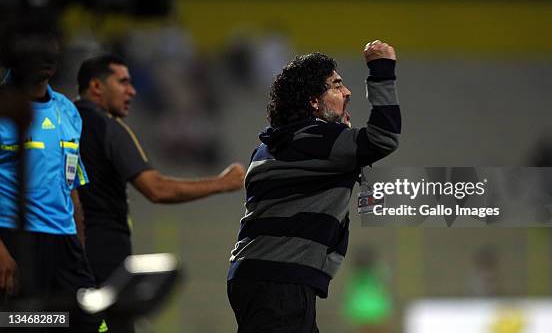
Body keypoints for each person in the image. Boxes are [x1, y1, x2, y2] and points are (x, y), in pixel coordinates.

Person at [227, 40, 401, 332]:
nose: (347, 92)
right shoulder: (315, 139)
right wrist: (381, 69)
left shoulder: (275, 144)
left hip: (264, 277)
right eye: (335, 86)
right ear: (313, 101)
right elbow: (383, 137)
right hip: (280, 282)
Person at [74, 53, 246, 332]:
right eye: (122, 82)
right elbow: (156, 189)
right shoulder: (109, 128)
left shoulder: (59, 122)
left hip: (63, 258)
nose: (132, 90)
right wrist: (222, 183)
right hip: (103, 262)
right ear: (96, 87)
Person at [0, 30, 100, 332]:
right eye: (37, 46)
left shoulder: (67, 111)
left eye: (52, 46)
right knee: (21, 324)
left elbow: (72, 189)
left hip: (65, 248)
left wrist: (78, 251)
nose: (46, 55)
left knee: (87, 325)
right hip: (15, 242)